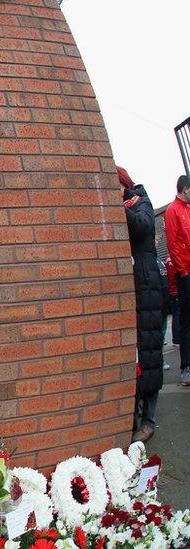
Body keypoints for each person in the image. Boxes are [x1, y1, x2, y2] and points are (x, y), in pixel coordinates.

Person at [119, 167, 163, 443]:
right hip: (129, 285)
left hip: (146, 284)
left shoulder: (140, 201)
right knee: (135, 353)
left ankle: (149, 419)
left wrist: (121, 202)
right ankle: (134, 414)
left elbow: (143, 226)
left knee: (150, 353)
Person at [165, 174, 190, 387]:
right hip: (185, 274)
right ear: (186, 189)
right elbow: (173, 244)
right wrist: (183, 273)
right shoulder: (173, 210)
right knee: (187, 321)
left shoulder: (187, 210)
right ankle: (186, 367)